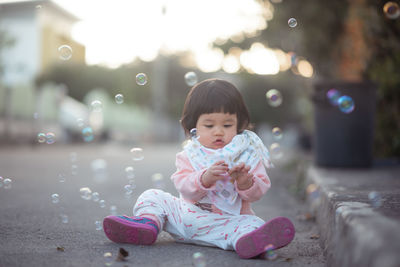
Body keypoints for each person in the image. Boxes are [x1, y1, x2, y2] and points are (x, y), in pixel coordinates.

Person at [103, 78, 295, 259]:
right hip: (184, 216)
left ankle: (249, 242)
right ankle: (149, 223)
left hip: (224, 222)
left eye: (227, 125)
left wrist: (245, 183)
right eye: (209, 125)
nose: (218, 131)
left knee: (253, 223)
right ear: (193, 126)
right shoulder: (191, 154)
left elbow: (258, 192)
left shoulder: (247, 154)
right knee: (152, 195)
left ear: (239, 124)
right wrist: (204, 178)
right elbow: (183, 186)